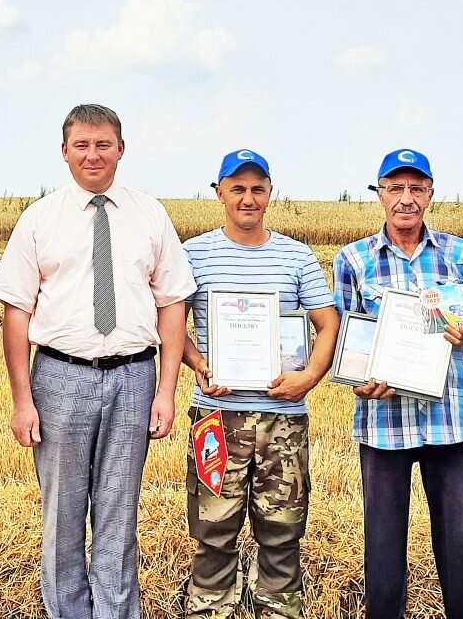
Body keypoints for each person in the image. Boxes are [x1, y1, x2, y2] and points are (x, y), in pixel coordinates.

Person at [0, 103, 196, 619]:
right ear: (64, 152)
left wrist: (166, 391)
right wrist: (22, 401)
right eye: (81, 145)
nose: (93, 154)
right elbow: (15, 313)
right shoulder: (40, 218)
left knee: (118, 515)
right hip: (60, 377)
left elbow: (173, 303)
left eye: (103, 144)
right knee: (62, 517)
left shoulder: (150, 214)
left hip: (134, 377)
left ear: (121, 149)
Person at [332, 148, 463, 619]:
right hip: (383, 422)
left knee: (461, 543)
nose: (406, 198)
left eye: (416, 188)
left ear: (430, 194)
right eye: (395, 188)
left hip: (452, 420)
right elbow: (347, 337)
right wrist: (360, 379)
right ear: (379, 193)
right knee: (382, 546)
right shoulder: (354, 260)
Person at [180, 149, 340, 618]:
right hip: (216, 416)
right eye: (237, 188)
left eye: (257, 188)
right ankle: (209, 608)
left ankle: (279, 609)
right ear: (219, 192)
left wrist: (309, 376)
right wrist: (198, 362)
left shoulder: (296, 256)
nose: (248, 198)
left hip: (283, 418)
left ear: (270, 192)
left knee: (283, 530)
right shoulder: (194, 253)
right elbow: (166, 323)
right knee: (212, 530)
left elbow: (327, 323)